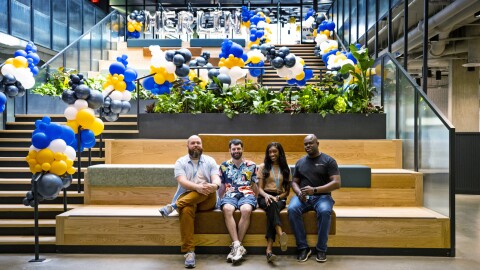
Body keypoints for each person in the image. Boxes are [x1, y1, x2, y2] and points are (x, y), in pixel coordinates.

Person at [158, 135, 221, 269]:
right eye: (193, 143)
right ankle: (189, 252)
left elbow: (216, 178)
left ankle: (173, 206)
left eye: (198, 143)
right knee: (186, 209)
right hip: (188, 199)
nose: (196, 145)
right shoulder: (180, 162)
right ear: (187, 146)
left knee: (205, 189)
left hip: (208, 200)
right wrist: (198, 187)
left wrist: (215, 186)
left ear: (202, 145)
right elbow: (182, 181)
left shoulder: (210, 160)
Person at [288, 134, 341, 263]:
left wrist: (315, 190)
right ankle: (303, 248)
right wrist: (299, 192)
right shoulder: (300, 162)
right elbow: (294, 182)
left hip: (323, 197)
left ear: (318, 143)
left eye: (311, 143)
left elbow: (336, 183)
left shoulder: (329, 161)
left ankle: (321, 249)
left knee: (324, 212)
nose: (308, 146)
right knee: (292, 209)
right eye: (305, 144)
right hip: (304, 197)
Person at [218, 138, 258, 264]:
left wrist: (255, 199)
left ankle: (236, 247)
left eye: (238, 148)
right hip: (230, 193)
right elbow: (222, 186)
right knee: (227, 209)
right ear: (229, 150)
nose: (236, 151)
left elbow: (255, 185)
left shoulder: (251, 165)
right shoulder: (224, 166)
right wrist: (221, 199)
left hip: (247, 193)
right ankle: (237, 245)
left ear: (242, 149)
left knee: (246, 209)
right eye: (234, 149)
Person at [257, 142, 291, 263]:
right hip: (264, 196)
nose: (272, 154)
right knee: (271, 205)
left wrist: (278, 197)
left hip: (279, 198)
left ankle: (269, 250)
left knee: (272, 207)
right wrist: (267, 196)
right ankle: (280, 234)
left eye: (274, 151)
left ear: (280, 153)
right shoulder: (262, 167)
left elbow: (287, 192)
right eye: (270, 152)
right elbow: (259, 189)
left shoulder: (286, 168)